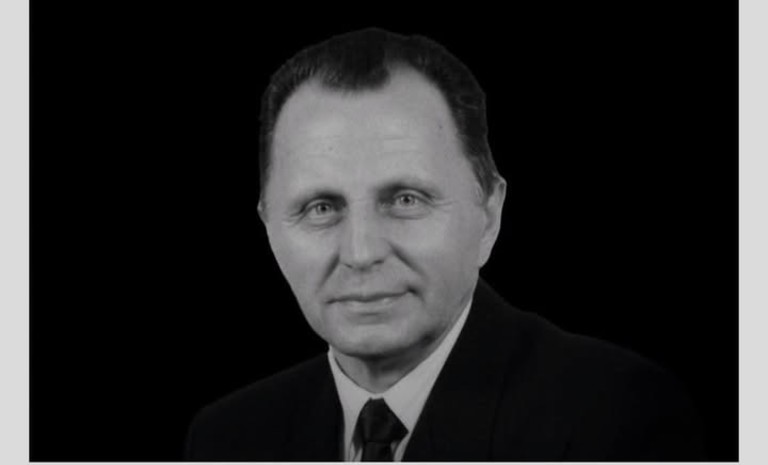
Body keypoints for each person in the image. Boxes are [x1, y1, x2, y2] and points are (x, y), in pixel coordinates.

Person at [184, 28, 705, 461]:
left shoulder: (615, 420)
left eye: (405, 200)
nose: (361, 252)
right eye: (320, 208)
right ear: (267, 225)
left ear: (489, 215)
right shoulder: (227, 440)